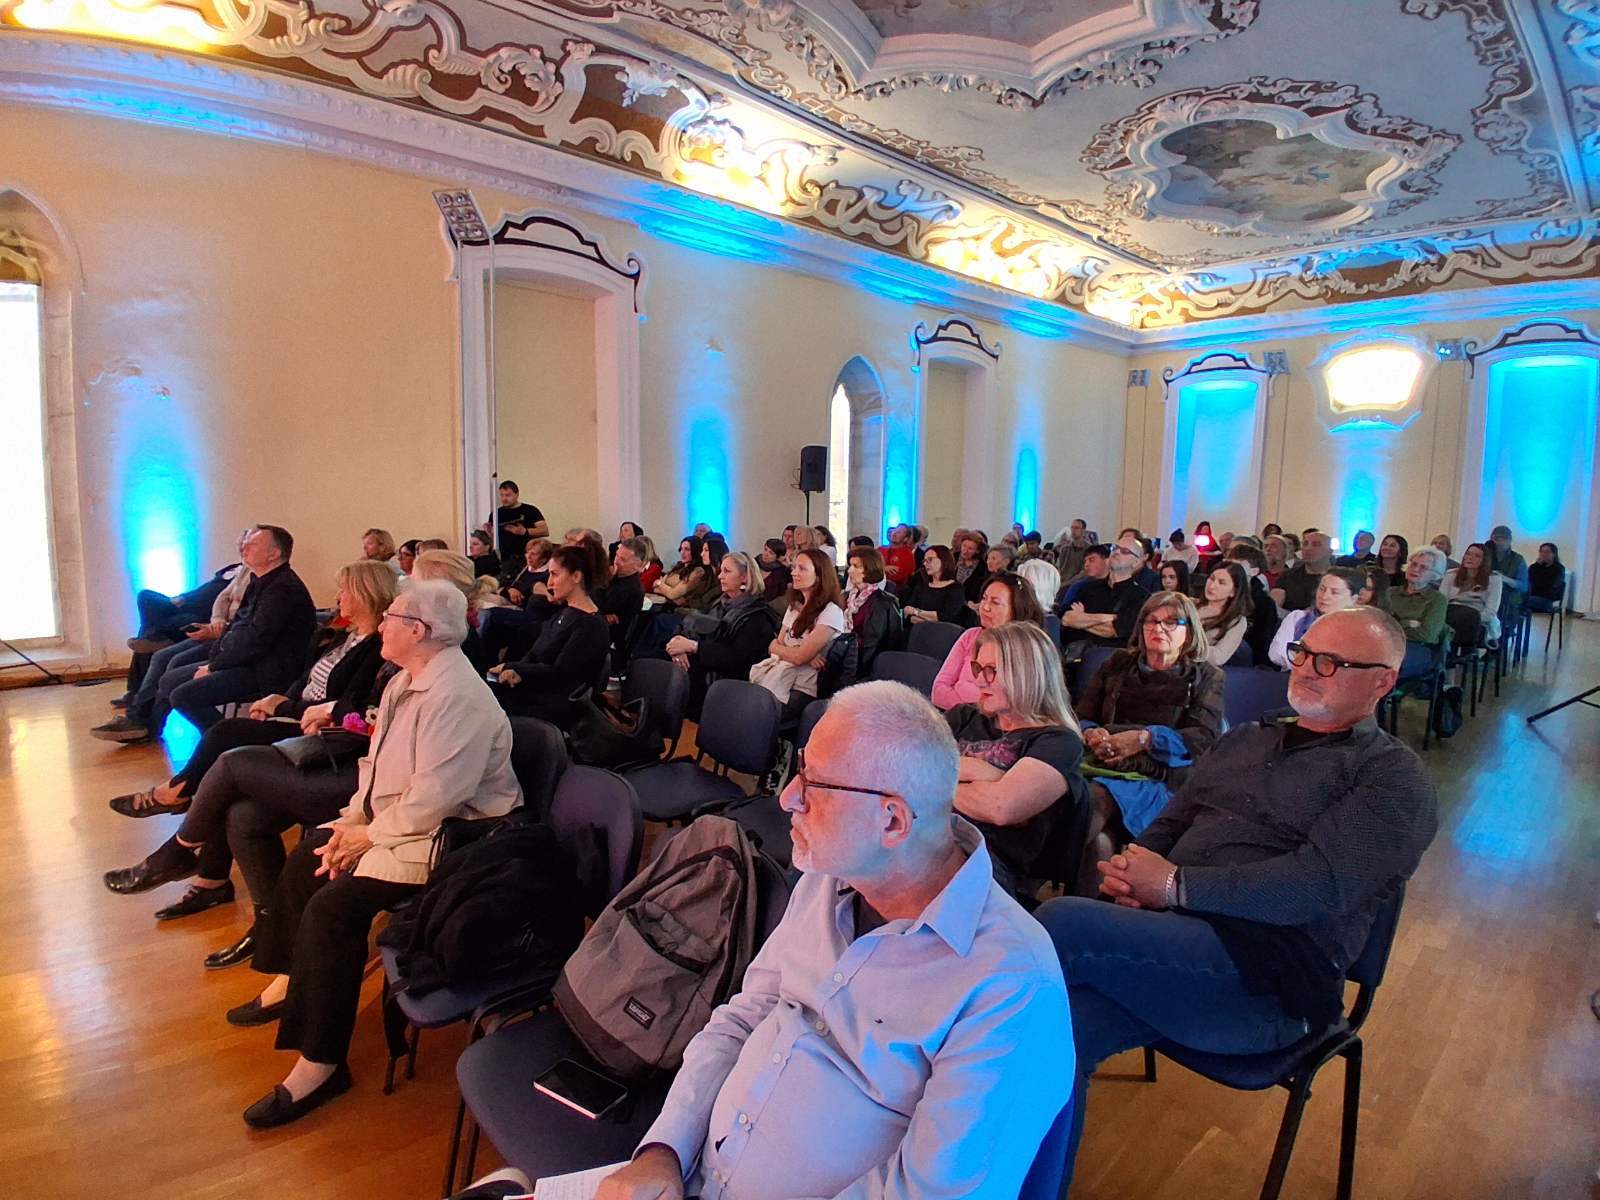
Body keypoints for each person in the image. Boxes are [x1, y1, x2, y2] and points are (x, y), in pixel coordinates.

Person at [595, 682, 1072, 1200]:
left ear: (892, 820)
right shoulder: (829, 876)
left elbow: (930, 1193)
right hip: (691, 1174)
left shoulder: (1012, 983)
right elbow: (746, 1016)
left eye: (815, 784)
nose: (787, 798)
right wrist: (663, 1152)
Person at [1035, 606, 1438, 1191]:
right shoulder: (1249, 738)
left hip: (1269, 982)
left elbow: (1315, 885)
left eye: (1333, 662)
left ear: (1383, 682)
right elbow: (1172, 823)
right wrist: (1131, 872)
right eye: (1304, 653)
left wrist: (1172, 885)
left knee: (1060, 923)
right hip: (1179, 951)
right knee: (1055, 1031)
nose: (1308, 669)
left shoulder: (1391, 778)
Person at [234, 581, 521, 1127]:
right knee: (311, 854)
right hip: (406, 824)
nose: (381, 623)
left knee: (334, 906)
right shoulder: (402, 681)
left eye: (392, 615)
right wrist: (350, 823)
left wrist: (367, 838)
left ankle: (321, 1064)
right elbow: (375, 771)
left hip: (457, 840)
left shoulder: (457, 696)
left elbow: (437, 798)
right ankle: (296, 977)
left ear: (419, 630)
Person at [101, 561, 399, 945]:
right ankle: (229, 893)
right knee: (236, 796)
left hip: (324, 738)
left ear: (363, 594)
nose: (338, 597)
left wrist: (284, 706)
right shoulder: (343, 636)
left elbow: (347, 707)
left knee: (227, 744)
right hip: (300, 717)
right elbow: (307, 681)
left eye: (345, 590)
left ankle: (180, 825)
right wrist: (277, 700)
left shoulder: (377, 648)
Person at [94, 526, 315, 743]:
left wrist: (213, 666)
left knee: (182, 695)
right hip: (247, 660)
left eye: (253, 544)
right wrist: (215, 657)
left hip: (267, 671)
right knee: (169, 679)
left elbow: (255, 641)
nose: (245, 547)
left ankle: (230, 740)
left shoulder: (282, 589)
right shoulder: (260, 582)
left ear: (274, 554)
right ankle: (207, 736)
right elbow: (236, 627)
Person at [946, 622, 1087, 901]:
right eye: (978, 668)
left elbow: (1000, 807)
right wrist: (988, 775)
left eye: (991, 670)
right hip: (926, 836)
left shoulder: (1059, 741)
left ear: (1027, 674)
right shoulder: (963, 716)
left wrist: (930, 779)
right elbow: (901, 771)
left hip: (986, 862)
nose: (979, 680)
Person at [1073, 590, 1226, 845]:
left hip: (1162, 776)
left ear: (1189, 632)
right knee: (1097, 840)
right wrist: (1091, 732)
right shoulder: (1117, 664)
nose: (1159, 628)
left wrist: (1145, 739)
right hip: (1102, 762)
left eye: (1171, 622)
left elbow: (1203, 739)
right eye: (1151, 620)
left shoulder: (1207, 677)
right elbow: (1081, 716)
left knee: (1092, 801)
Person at [487, 545, 611, 727]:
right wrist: (515, 671)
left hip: (559, 703)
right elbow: (535, 653)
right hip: (542, 689)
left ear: (576, 577)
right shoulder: (564, 613)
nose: (550, 583)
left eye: (554, 574)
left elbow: (561, 674)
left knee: (488, 707)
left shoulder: (591, 625)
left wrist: (513, 667)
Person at [665, 551, 779, 719]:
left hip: (731, 685)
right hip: (704, 672)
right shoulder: (720, 603)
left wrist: (693, 647)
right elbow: (693, 625)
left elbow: (735, 658)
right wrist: (678, 646)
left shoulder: (757, 616)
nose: (720, 576)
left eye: (727, 571)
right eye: (721, 571)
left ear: (744, 577)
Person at [748, 547, 846, 720]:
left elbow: (796, 656)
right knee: (744, 704)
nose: (793, 573)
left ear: (819, 576)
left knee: (757, 714)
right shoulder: (794, 606)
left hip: (804, 686)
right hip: (781, 673)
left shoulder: (830, 612)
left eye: (802, 568)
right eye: (794, 567)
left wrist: (794, 653)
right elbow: (776, 645)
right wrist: (799, 653)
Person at [932, 573, 1046, 710]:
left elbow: (1010, 704)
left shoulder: (1027, 648)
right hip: (955, 720)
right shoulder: (970, 636)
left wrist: (962, 688)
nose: (985, 607)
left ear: (1016, 609)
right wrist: (978, 701)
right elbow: (938, 692)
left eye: (995, 602)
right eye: (984, 598)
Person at [1057, 534, 1150, 649]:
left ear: (1136, 562)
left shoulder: (1141, 596)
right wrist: (1106, 618)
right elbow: (1067, 619)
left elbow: (1113, 630)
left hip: (1112, 656)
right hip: (1075, 653)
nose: (1116, 552)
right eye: (1115, 548)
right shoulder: (1087, 588)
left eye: (1125, 551)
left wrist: (1081, 618)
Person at [1268, 565, 1365, 668]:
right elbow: (1277, 654)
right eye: (1322, 589)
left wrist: (1299, 655)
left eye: (1334, 592)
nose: (1324, 596)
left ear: (1353, 599)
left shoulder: (1361, 630)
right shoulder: (1297, 618)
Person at [842, 546, 903, 681]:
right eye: (850, 565)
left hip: (868, 664)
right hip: (843, 657)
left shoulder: (886, 602)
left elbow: (891, 642)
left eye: (855, 566)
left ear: (868, 569)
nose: (849, 570)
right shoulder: (844, 597)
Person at [1389, 547, 1449, 680]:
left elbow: (1427, 635)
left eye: (1423, 567)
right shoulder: (1390, 592)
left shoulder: (1437, 599)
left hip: (1419, 648)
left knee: (1389, 663)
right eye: (1414, 564)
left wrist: (1395, 625)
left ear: (1433, 574)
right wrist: (1408, 623)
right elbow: (1379, 623)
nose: (1415, 569)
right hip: (1389, 643)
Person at [1225, 542, 1281, 666]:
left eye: (1238, 566)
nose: (1231, 571)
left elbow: (1261, 643)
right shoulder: (1218, 592)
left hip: (1247, 657)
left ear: (1254, 571)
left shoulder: (1264, 604)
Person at [1440, 541, 1504, 647]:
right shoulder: (1451, 574)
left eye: (1477, 556)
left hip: (1477, 617)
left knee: (1464, 626)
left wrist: (1471, 619)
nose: (1470, 558)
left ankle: (1463, 651)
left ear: (1484, 560)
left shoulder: (1494, 579)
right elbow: (1441, 601)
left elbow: (1490, 611)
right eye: (1468, 554)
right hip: (1450, 614)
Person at [1195, 561, 1252, 666]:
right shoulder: (1190, 604)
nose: (1212, 586)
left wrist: (1187, 646)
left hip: (1200, 669)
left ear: (1233, 591)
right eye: (1211, 578)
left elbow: (1218, 657)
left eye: (1221, 583)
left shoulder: (1236, 620)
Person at [901, 544, 968, 626]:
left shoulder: (956, 588)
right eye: (924, 561)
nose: (925, 564)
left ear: (943, 560)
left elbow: (946, 616)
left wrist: (916, 612)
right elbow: (908, 610)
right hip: (917, 629)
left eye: (930, 559)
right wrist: (914, 616)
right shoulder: (922, 585)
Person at [603, 537, 648, 655]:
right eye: (617, 556)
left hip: (609, 640)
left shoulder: (631, 589)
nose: (616, 561)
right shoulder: (615, 577)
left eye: (623, 559)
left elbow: (598, 606)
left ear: (638, 565)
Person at [1272, 529, 1334, 612]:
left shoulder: (1338, 578)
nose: (1308, 548)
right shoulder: (1287, 576)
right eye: (1305, 544)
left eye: (1316, 545)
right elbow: (1274, 606)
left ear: (1329, 551)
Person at [487, 480, 547, 561]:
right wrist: (489, 533)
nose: (504, 499)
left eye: (508, 495)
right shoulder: (495, 514)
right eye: (501, 495)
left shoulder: (530, 510)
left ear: (517, 494)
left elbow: (544, 531)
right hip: (503, 558)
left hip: (526, 557)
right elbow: (492, 539)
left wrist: (525, 532)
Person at [1486, 524, 1530, 633]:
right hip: (1486, 594)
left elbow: (1523, 586)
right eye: (1496, 539)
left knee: (1503, 602)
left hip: (1509, 599)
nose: (1500, 542)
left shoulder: (1518, 559)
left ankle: (1501, 633)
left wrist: (1504, 579)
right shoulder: (1484, 555)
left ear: (1510, 541)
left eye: (1504, 539)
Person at [653, 535, 706, 607]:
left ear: (695, 551)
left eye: (687, 549)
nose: (682, 552)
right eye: (681, 549)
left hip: (676, 609)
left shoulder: (698, 571)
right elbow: (655, 588)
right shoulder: (679, 566)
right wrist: (671, 594)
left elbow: (672, 594)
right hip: (663, 603)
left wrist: (659, 583)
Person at [1527, 542, 1565, 614]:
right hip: (1532, 596)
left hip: (1547, 599)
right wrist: (1537, 565)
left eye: (1547, 552)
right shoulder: (1535, 567)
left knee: (1522, 601)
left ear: (1554, 554)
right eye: (1541, 552)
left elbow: (1553, 587)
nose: (1543, 554)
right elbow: (1528, 579)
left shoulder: (1558, 569)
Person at [1053, 518, 1093, 584]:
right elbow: (1059, 568)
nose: (1073, 530)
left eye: (1077, 528)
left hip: (1078, 584)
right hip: (1062, 581)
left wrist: (1067, 583)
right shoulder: (1064, 549)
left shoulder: (1090, 549)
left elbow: (1084, 572)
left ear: (1083, 531)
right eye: (1072, 527)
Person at [954, 534, 987, 603]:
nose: (965, 551)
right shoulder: (953, 558)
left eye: (970, 548)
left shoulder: (982, 567)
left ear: (977, 551)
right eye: (964, 546)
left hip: (968, 603)